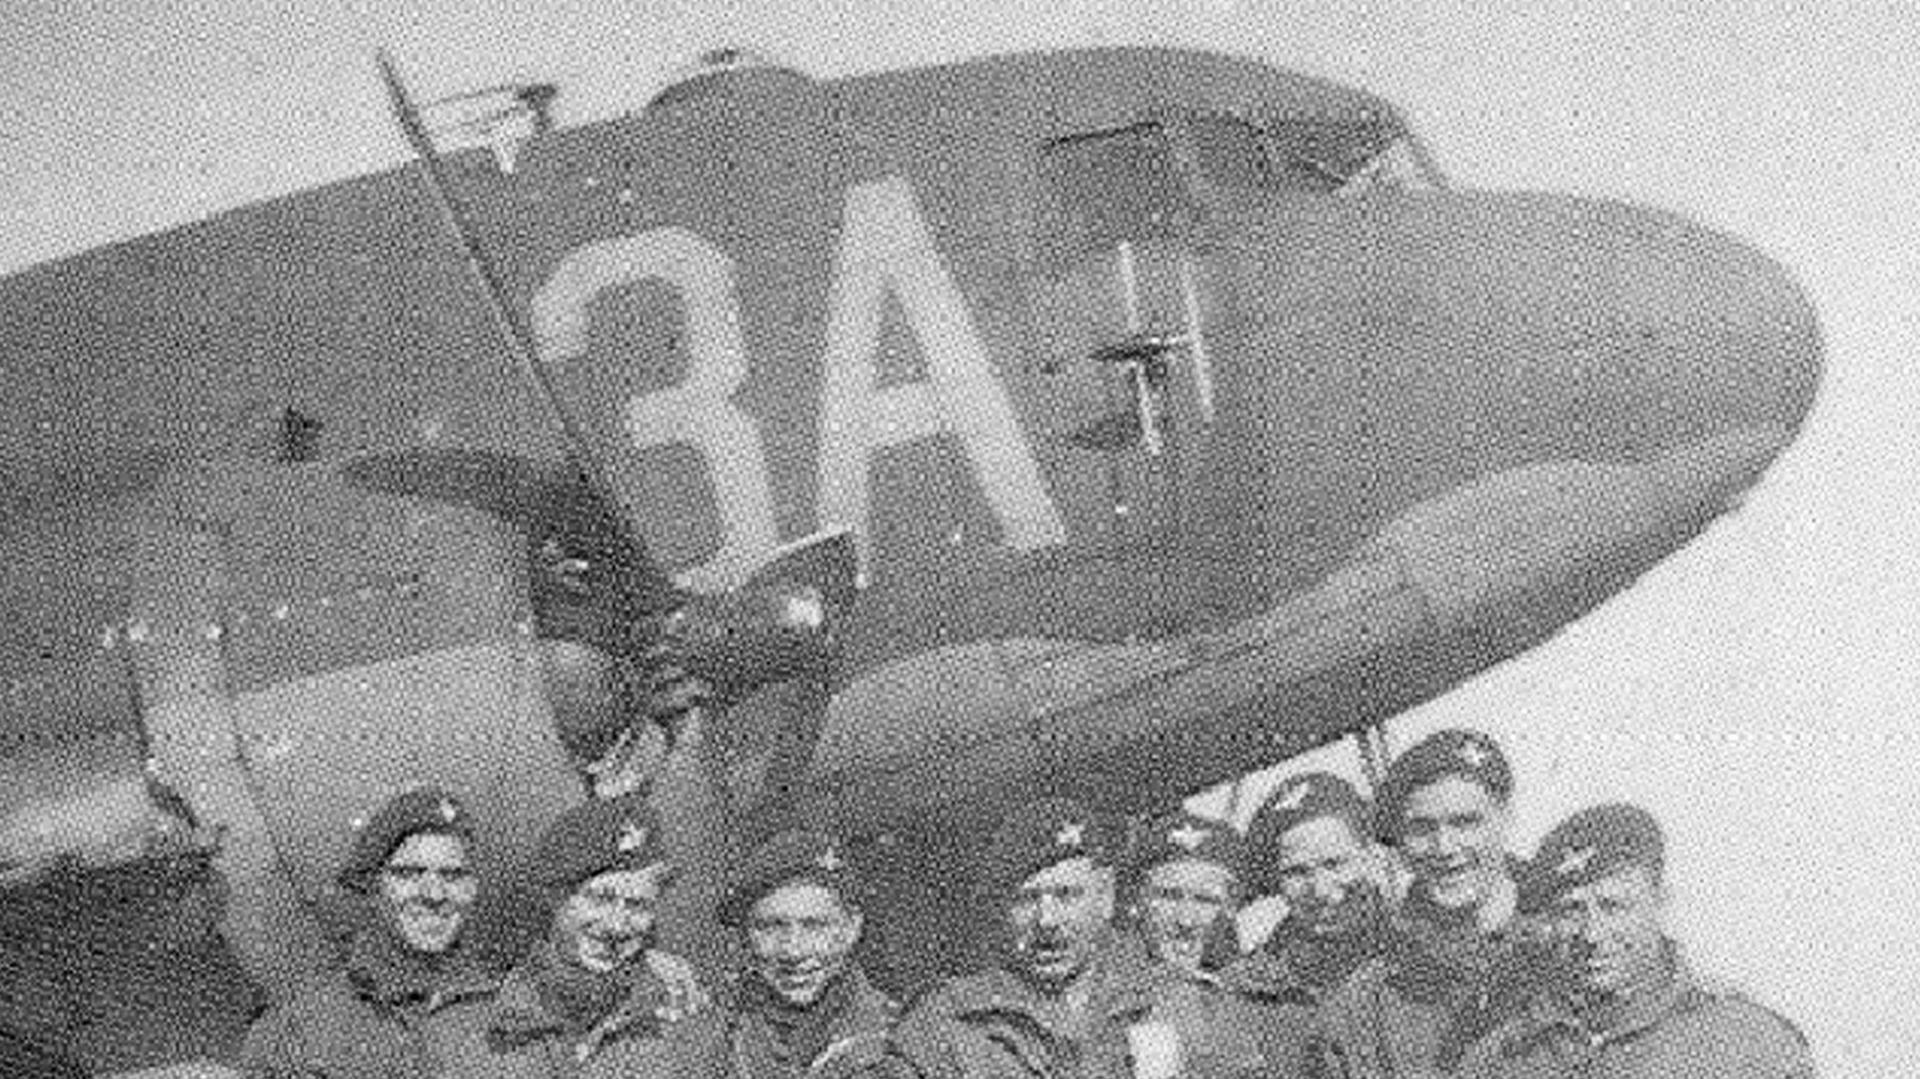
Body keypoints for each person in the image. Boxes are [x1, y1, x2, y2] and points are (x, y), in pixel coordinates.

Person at [892, 797, 1265, 1079]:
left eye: (1067, 896)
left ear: (1105, 898)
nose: (1047, 920)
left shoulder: (1186, 1004)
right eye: (1027, 900)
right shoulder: (946, 1021)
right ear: (1003, 911)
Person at [1458, 803, 1814, 1078]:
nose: (1592, 933)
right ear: (1550, 920)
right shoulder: (1500, 1057)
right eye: (1572, 909)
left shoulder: (1749, 1045)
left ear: (1660, 904)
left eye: (1614, 906)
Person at [1312, 729, 1547, 1077]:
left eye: (1466, 822)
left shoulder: (1575, 948)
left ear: (1506, 817)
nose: (1445, 848)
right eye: (1421, 829)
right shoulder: (1363, 1004)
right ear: (1400, 842)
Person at [240, 786, 503, 1078]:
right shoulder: (301, 1028)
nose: (434, 894)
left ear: (473, 888)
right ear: (373, 886)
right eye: (408, 874)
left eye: (453, 875)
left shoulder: (515, 1013)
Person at [480, 796, 697, 1075]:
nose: (617, 927)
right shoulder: (472, 1029)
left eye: (637, 905)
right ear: (554, 900)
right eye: (600, 898)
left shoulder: (685, 1029)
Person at [669, 828, 907, 1078]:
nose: (793, 950)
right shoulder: (702, 1042)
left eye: (815, 926)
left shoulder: (902, 1037)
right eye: (770, 926)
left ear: (851, 928)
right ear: (745, 935)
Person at [1225, 773, 1394, 1073]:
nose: (1320, 890)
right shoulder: (1245, 989)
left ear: (1368, 857)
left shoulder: (1420, 952)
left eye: (1334, 864)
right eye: (1297, 872)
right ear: (1276, 881)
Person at [1126, 809, 1277, 1078]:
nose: (1186, 920)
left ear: (1230, 907)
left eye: (1205, 900)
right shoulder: (1103, 992)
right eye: (1169, 896)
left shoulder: (1252, 1000)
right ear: (1138, 900)